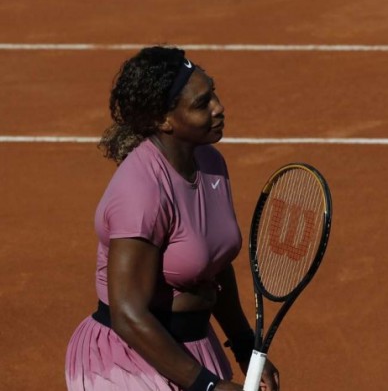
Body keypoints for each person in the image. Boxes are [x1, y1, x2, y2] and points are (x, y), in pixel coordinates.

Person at [65, 46, 279, 391]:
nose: (218, 107)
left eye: (213, 93)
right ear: (164, 120)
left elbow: (215, 263)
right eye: (201, 104)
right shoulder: (141, 190)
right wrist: (208, 386)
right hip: (129, 359)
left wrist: (244, 345)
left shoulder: (210, 162)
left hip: (191, 348)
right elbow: (128, 315)